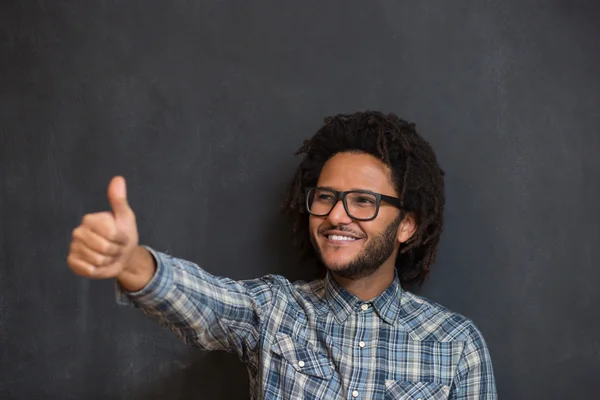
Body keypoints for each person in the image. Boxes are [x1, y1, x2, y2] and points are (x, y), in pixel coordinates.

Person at [67, 111, 497, 399]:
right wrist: (130, 262)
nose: (336, 216)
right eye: (326, 197)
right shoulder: (275, 311)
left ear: (407, 224)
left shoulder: (455, 346)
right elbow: (204, 303)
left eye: (363, 201)